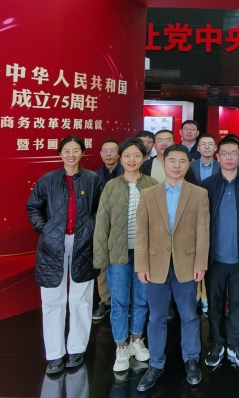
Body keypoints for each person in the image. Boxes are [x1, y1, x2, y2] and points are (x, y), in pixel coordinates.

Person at [134, 144, 210, 391]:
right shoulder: (149, 194)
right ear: (163, 163)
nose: (177, 166)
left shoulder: (198, 194)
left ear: (188, 164)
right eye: (172, 161)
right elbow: (141, 233)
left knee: (189, 315)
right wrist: (141, 265)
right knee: (156, 317)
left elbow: (203, 232)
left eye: (182, 161)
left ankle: (191, 360)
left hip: (187, 265)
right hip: (155, 265)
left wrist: (200, 264)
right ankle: (156, 364)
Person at [26, 136, 103, 375]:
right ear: (60, 153)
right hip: (52, 245)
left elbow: (101, 210)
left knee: (81, 299)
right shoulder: (47, 179)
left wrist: (91, 229)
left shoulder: (92, 179)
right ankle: (55, 354)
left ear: (82, 153)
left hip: (83, 244)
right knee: (52, 300)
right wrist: (45, 229)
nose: (71, 155)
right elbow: (33, 206)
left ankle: (77, 349)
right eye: (66, 151)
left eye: (76, 150)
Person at [93, 138, 157, 372]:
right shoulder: (111, 186)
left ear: (144, 158)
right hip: (117, 253)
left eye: (136, 155)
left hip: (144, 254)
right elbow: (102, 223)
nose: (132, 160)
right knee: (119, 301)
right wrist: (100, 257)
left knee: (141, 299)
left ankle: (136, 340)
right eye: (127, 156)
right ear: (121, 159)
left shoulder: (152, 184)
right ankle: (121, 346)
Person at [201, 137, 239, 369]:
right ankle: (217, 343)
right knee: (214, 305)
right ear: (218, 156)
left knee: (238, 304)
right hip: (215, 258)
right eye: (225, 153)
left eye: (234, 153)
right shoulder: (208, 185)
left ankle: (236, 344)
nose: (230, 157)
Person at [92, 139, 123, 323]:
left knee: (123, 265)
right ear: (101, 154)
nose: (109, 154)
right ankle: (105, 301)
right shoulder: (94, 176)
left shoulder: (127, 173)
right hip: (101, 225)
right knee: (102, 263)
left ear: (119, 154)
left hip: (122, 226)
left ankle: (123, 303)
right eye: (105, 151)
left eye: (113, 150)